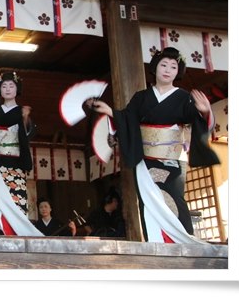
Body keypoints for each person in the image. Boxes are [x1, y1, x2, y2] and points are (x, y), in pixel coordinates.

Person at [89, 47, 219, 243]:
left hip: (172, 161)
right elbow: (126, 118)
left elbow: (201, 125)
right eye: (163, 65)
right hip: (145, 161)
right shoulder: (141, 97)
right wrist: (110, 111)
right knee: (149, 203)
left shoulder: (184, 97)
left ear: (178, 71)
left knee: (173, 200)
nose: (167, 70)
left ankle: (183, 242)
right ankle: (157, 244)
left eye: (173, 66)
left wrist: (205, 113)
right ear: (155, 67)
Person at [0, 71, 41, 236]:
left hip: (15, 160)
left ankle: (17, 230)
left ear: (17, 89)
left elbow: (29, 134)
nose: (7, 89)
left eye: (11, 86)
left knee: (15, 195)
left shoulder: (22, 111)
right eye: (4, 86)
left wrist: (25, 120)